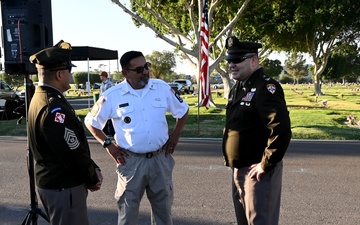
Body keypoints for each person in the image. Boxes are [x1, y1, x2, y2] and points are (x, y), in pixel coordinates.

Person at [84, 50, 189, 225]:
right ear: (126, 73)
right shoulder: (112, 95)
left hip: (160, 160)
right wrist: (108, 144)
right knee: (127, 214)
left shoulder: (161, 88)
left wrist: (175, 136)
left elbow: (183, 110)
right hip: (131, 162)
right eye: (139, 69)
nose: (145, 72)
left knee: (164, 213)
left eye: (146, 67)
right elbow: (91, 122)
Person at [27, 40, 103, 225]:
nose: (71, 75)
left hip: (54, 184)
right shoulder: (53, 107)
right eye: (70, 70)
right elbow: (72, 152)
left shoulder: (41, 98)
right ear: (60, 74)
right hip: (63, 186)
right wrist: (92, 176)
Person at [222, 36, 292, 225]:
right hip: (239, 169)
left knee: (260, 221)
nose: (231, 65)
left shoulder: (265, 87)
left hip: (257, 172)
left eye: (237, 60)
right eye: (229, 60)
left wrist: (265, 164)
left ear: (254, 60)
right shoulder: (239, 87)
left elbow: (281, 129)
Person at [99, 71, 115, 136]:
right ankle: (105, 132)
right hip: (102, 103)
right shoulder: (102, 84)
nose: (100, 77)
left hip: (108, 103)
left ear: (104, 76)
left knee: (110, 118)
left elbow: (110, 94)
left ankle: (112, 132)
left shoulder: (109, 84)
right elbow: (101, 93)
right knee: (103, 117)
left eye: (101, 76)